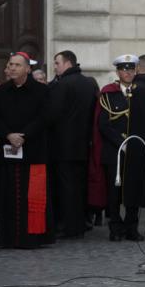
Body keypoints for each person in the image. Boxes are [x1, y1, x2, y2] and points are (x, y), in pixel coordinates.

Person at [96, 54, 145, 242]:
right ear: (118, 72)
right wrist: (122, 144)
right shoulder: (108, 93)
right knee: (114, 192)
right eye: (124, 69)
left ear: (136, 71)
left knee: (135, 189)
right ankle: (115, 227)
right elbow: (104, 124)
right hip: (115, 150)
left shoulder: (143, 92)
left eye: (131, 69)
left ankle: (132, 227)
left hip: (136, 150)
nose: (128, 73)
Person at [0, 52, 53, 248]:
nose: (12, 68)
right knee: (8, 196)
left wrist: (23, 136)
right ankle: (8, 237)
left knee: (33, 197)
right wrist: (8, 135)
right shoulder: (1, 91)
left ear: (27, 69)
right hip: (8, 151)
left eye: (17, 65)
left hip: (33, 151)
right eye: (10, 64)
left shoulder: (42, 91)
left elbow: (45, 118)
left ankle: (32, 238)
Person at [48, 50, 99, 238]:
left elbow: (53, 114)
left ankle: (69, 227)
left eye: (57, 63)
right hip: (84, 144)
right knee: (80, 188)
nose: (55, 67)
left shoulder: (63, 85)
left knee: (66, 189)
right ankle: (80, 224)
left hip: (63, 146)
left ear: (67, 63)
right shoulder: (89, 83)